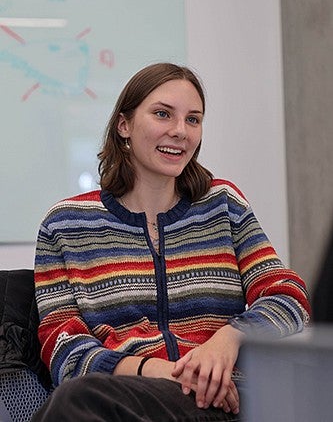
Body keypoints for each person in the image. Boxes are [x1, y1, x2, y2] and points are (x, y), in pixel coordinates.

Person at [32, 62, 310, 421]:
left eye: (193, 119)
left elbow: (290, 298)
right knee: (77, 400)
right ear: (124, 125)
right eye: (163, 114)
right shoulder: (65, 224)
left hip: (232, 397)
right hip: (129, 397)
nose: (180, 131)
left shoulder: (224, 205)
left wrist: (226, 341)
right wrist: (160, 371)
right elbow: (62, 347)